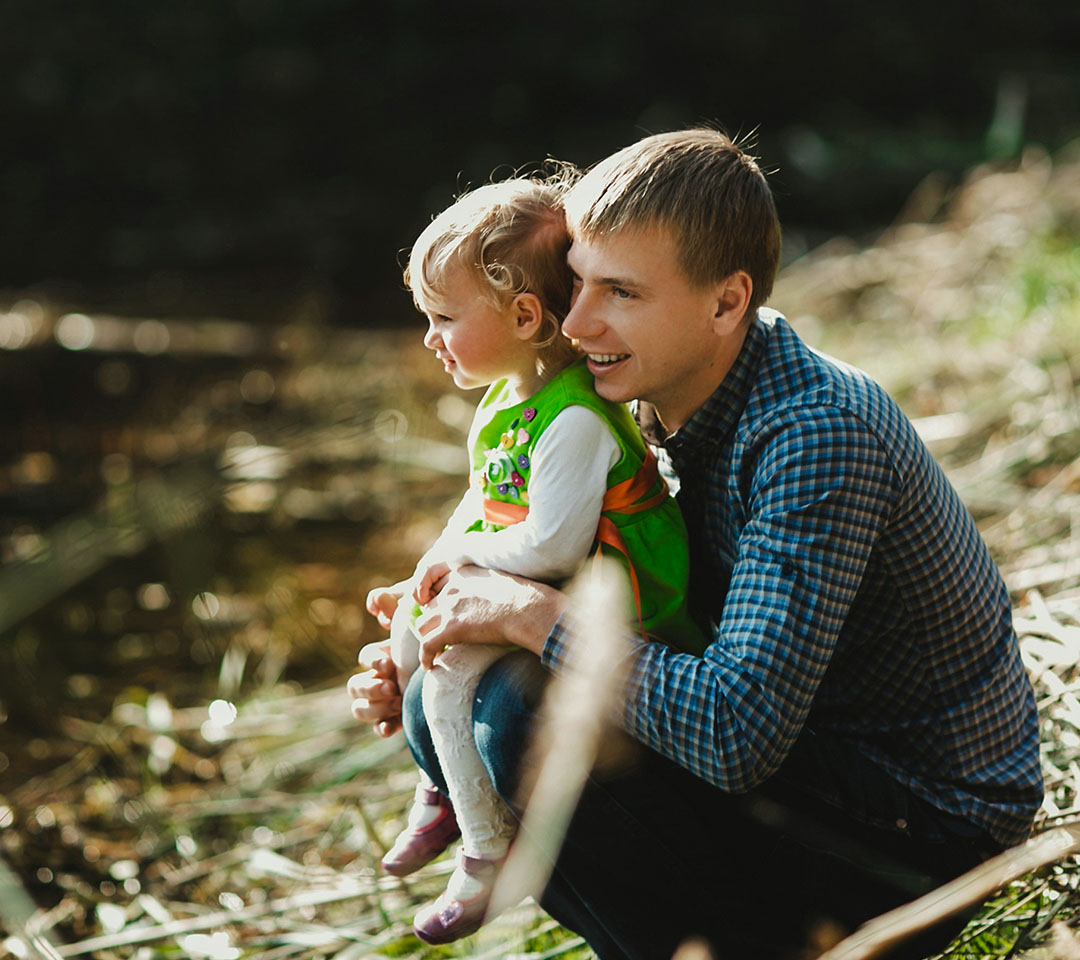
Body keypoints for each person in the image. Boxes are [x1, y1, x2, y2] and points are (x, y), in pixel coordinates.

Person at [350, 130, 1043, 959]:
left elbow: (733, 732)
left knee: (521, 714)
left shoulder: (813, 436)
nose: (575, 320)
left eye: (621, 293)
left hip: (923, 828)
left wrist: (528, 614)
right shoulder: (639, 388)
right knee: (447, 707)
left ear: (725, 303)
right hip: (803, 754)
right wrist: (435, 622)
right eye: (574, 283)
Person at [353, 173, 705, 946]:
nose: (428, 338)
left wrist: (466, 562)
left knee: (446, 680)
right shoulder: (506, 401)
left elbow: (550, 546)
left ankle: (485, 851)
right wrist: (429, 569)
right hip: (543, 586)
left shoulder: (575, 417)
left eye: (444, 317)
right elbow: (480, 503)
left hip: (616, 597)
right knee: (412, 633)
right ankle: (444, 788)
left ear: (521, 314)